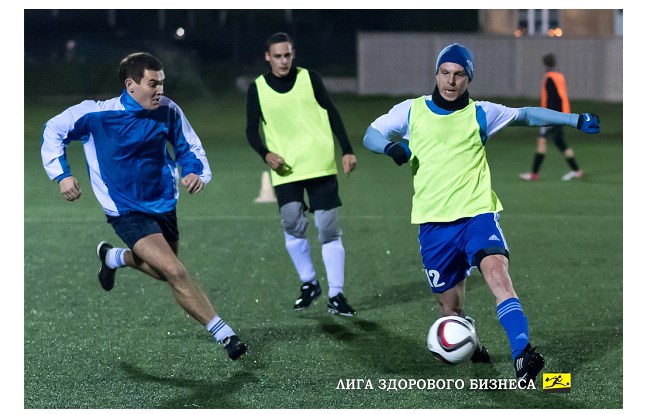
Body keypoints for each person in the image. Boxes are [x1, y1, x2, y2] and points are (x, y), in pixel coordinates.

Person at [363, 43, 600, 382]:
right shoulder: (411, 111)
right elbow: (371, 134)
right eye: (445, 73)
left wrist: (573, 119)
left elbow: (527, 115)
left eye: (459, 74)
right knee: (450, 311)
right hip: (434, 225)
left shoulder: (482, 113)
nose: (451, 81)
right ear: (436, 74)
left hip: (478, 213)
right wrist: (390, 147)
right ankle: (471, 343)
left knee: (497, 274)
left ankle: (522, 354)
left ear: (468, 78)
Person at [41, 52, 248, 360]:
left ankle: (114, 257)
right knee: (175, 271)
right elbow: (53, 130)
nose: (160, 90)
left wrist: (194, 171)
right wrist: (62, 175)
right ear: (131, 85)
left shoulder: (168, 110)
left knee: (164, 271)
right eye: (153, 84)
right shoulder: (96, 114)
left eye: (162, 83)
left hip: (163, 202)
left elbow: (188, 146)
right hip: (124, 209)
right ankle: (225, 334)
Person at [246, 32, 358, 316]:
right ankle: (309, 283)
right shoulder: (257, 88)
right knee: (292, 224)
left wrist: (347, 149)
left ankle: (336, 294)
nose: (283, 61)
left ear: (293, 54)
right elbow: (251, 129)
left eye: (287, 55)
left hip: (320, 164)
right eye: (278, 56)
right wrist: (265, 154)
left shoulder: (311, 78)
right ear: (268, 57)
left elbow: (331, 112)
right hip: (285, 169)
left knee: (328, 229)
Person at [519, 53, 583, 181]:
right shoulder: (559, 76)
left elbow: (552, 100)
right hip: (562, 115)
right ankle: (576, 170)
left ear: (545, 64)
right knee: (560, 143)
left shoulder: (549, 78)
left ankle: (534, 174)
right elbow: (560, 98)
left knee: (542, 141)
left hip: (552, 117)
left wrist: (547, 117)